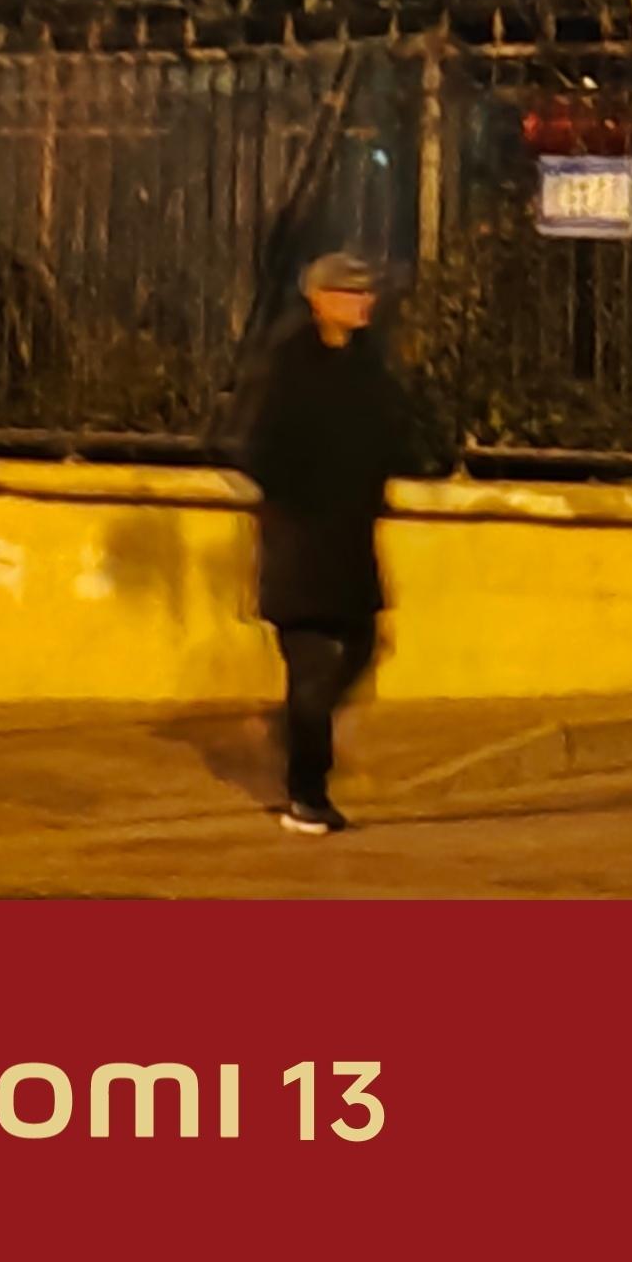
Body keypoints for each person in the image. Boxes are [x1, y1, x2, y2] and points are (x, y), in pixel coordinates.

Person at [234, 248, 441, 837]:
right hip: (299, 540)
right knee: (309, 670)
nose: (365, 301)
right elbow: (257, 446)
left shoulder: (369, 367)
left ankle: (304, 740)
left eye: (368, 291)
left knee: (361, 649)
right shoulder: (285, 366)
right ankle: (307, 795)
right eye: (352, 292)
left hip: (349, 540)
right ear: (319, 298)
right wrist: (295, 499)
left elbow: (395, 431)